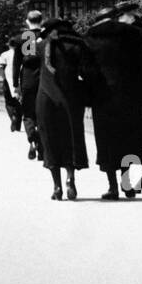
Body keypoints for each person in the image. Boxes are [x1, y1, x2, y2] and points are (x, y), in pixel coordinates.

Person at [85, 0, 142, 199]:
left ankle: (112, 188)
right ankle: (126, 183)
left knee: (107, 141)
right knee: (126, 139)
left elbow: (87, 70)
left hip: (102, 98)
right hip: (129, 96)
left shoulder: (90, 38)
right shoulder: (133, 35)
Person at [36, 18, 97, 200]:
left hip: (46, 97)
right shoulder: (79, 45)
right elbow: (88, 74)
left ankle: (57, 187)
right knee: (70, 137)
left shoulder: (39, 46)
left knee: (49, 139)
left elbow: (26, 58)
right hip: (71, 99)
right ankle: (71, 178)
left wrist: (31, 35)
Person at [14, 10, 46, 160]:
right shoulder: (46, 37)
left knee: (28, 113)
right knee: (42, 113)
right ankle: (42, 144)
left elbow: (16, 64)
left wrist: (15, 84)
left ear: (27, 21)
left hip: (27, 80)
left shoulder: (22, 38)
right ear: (41, 20)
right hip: (44, 79)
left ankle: (32, 138)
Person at [0, 36, 21, 131]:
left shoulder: (4, 55)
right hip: (20, 81)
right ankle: (17, 123)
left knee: (8, 102)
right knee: (19, 103)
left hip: (8, 81)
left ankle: (12, 117)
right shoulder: (22, 54)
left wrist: (4, 77)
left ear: (9, 45)